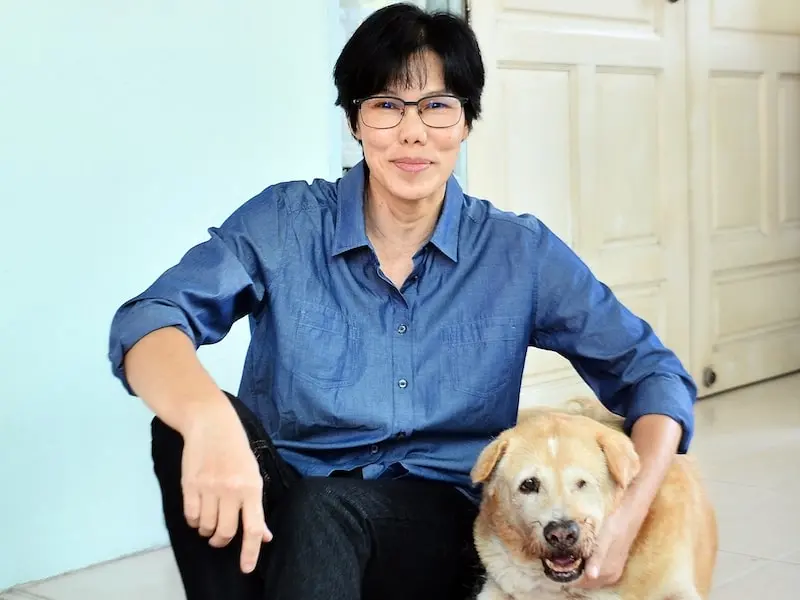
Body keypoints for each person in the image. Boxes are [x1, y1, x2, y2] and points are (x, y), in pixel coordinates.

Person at [107, 3, 697, 600]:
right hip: (286, 500)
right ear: (353, 120)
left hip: (430, 525)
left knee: (325, 509)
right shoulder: (287, 223)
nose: (413, 132)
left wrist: (625, 517)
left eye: (437, 107)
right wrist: (208, 419)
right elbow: (151, 319)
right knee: (182, 428)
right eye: (387, 106)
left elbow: (653, 374)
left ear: (466, 123)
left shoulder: (518, 253)